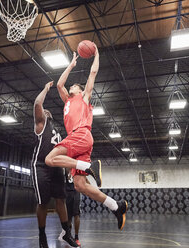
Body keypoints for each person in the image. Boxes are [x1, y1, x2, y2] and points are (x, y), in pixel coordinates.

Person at [45, 47, 127, 230]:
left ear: (81, 91)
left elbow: (93, 73)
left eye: (75, 86)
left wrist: (96, 54)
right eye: (72, 86)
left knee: (49, 159)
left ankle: (89, 167)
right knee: (80, 185)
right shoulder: (67, 100)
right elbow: (59, 85)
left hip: (81, 134)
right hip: (80, 141)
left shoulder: (84, 97)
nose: (72, 86)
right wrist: (71, 65)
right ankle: (117, 206)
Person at [32, 81, 79, 248]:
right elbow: (38, 103)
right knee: (43, 202)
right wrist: (45, 89)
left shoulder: (57, 131)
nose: (46, 111)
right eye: (44, 111)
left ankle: (66, 232)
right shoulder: (41, 124)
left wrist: (67, 169)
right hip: (41, 166)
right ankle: (42, 235)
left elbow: (64, 151)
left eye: (48, 111)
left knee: (61, 199)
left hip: (57, 167)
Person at [58, 168, 82, 246]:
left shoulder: (77, 166)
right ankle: (68, 235)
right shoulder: (64, 168)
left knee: (76, 214)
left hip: (76, 191)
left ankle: (76, 237)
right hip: (67, 193)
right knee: (68, 217)